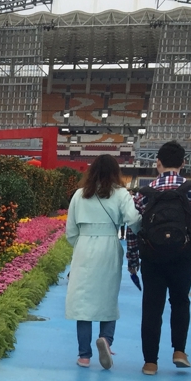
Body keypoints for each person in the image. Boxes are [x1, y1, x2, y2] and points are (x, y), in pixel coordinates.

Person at [126, 141, 191, 375]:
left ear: (158, 163)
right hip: (184, 257)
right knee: (180, 301)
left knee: (152, 306)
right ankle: (179, 351)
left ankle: (150, 362)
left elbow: (133, 230)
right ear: (183, 163)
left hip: (152, 258)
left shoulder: (144, 193)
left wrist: (133, 261)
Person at [65, 155, 142, 369]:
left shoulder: (79, 195)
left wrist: (80, 244)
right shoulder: (120, 194)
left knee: (83, 301)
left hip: (83, 246)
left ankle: (84, 355)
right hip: (109, 245)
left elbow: (70, 231)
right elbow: (134, 220)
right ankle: (106, 341)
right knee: (108, 296)